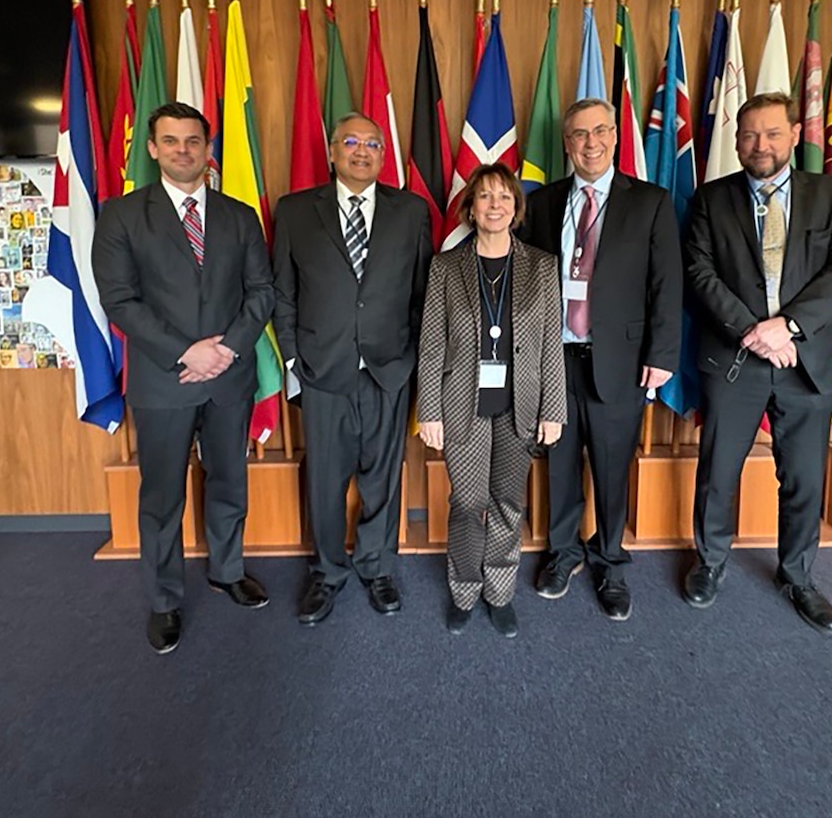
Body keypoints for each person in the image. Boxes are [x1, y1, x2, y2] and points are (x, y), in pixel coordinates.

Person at [93, 102, 276, 655]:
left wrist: (226, 349)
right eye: (170, 141)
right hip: (162, 381)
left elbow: (262, 291)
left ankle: (227, 570)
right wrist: (186, 352)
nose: (182, 150)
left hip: (228, 376)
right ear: (152, 148)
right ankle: (165, 600)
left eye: (192, 141)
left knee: (228, 482)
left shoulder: (239, 215)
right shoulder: (121, 216)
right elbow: (119, 300)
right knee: (162, 496)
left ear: (208, 148)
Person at [681, 92, 832, 637]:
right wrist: (753, 332)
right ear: (736, 141)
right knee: (717, 472)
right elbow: (700, 272)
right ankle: (710, 562)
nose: (760, 145)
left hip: (805, 361)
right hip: (735, 359)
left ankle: (798, 576)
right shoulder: (711, 200)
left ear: (792, 136)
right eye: (750, 135)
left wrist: (788, 327)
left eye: (772, 134)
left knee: (804, 477)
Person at [519, 97, 682, 621]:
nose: (590, 143)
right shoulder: (542, 204)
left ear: (615, 136)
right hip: (555, 357)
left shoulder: (650, 202)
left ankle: (609, 561)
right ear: (566, 144)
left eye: (600, 132)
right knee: (560, 462)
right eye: (579, 135)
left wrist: (661, 354)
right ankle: (563, 552)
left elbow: (666, 283)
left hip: (623, 358)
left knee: (612, 467)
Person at [272, 113, 432, 625]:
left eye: (372, 144)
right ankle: (327, 572)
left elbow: (421, 294)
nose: (361, 151)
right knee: (325, 481)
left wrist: (409, 357)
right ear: (332, 150)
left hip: (388, 370)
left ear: (383, 156)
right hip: (323, 370)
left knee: (382, 478)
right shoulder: (296, 211)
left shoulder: (411, 212)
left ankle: (377, 566)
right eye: (351, 142)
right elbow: (284, 294)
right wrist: (296, 358)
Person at [416, 164, 565, 638]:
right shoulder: (446, 266)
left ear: (516, 207)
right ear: (471, 208)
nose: (495, 205)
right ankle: (463, 588)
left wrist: (553, 410)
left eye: (504, 197)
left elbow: (549, 345)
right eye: (485, 197)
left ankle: (499, 592)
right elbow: (432, 343)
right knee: (467, 501)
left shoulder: (541, 267)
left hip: (519, 405)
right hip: (461, 405)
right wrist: (430, 411)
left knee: (506, 501)